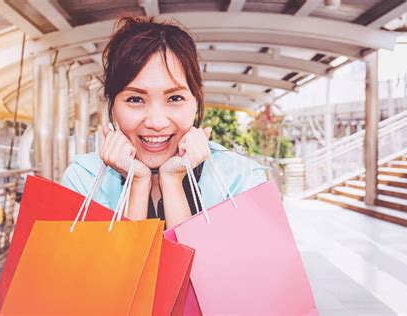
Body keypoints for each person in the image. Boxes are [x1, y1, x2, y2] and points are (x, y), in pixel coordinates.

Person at [62, 16, 268, 229]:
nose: (156, 122)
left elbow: (217, 264)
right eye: (135, 99)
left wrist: (172, 182)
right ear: (113, 105)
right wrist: (138, 184)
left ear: (195, 102)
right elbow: (119, 264)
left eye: (175, 98)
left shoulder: (239, 178)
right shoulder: (83, 179)